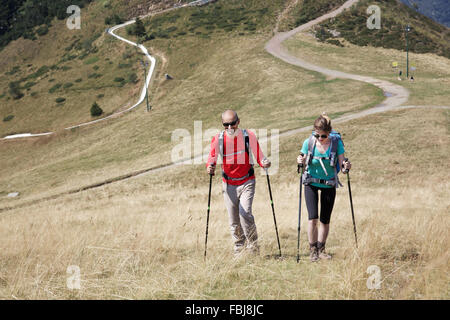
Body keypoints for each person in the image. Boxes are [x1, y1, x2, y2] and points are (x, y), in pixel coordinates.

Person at [207, 110, 271, 257]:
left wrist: (265, 163)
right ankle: (239, 251)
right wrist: (210, 167)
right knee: (234, 220)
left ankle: (253, 248)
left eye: (232, 124)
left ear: (238, 122)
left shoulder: (249, 136)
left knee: (245, 213)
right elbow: (211, 158)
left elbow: (260, 156)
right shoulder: (218, 139)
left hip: (247, 181)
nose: (230, 128)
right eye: (226, 125)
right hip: (228, 184)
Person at [297, 113, 351, 262]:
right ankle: (312, 250)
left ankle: (321, 249)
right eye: (317, 135)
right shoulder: (308, 142)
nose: (320, 139)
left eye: (323, 136)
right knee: (312, 218)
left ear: (329, 133)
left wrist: (346, 167)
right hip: (311, 183)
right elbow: (301, 159)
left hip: (329, 184)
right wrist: (299, 160)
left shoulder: (336, 143)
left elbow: (342, 166)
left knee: (325, 220)